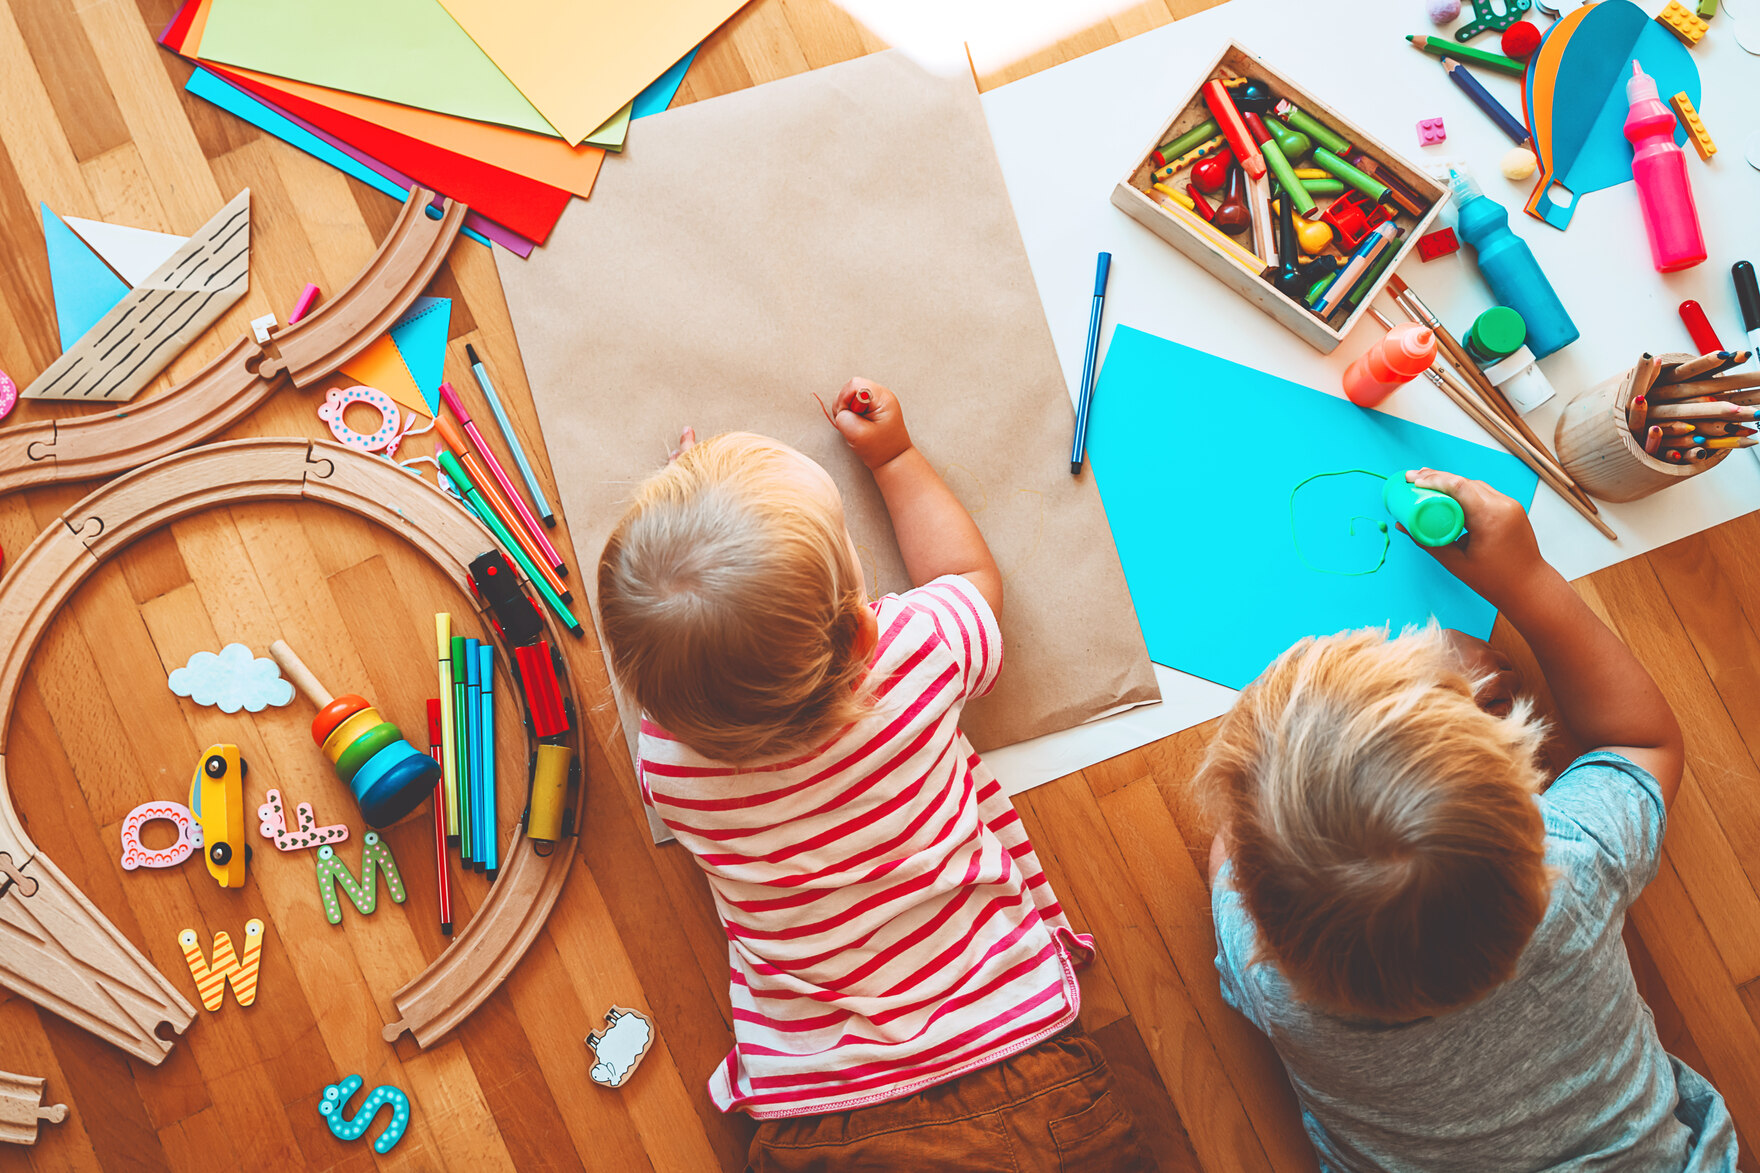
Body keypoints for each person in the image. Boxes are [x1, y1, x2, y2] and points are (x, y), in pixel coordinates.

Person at [597, 378, 1148, 1172]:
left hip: (822, 1114)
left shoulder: (674, 771)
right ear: (859, 632)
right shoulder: (912, 656)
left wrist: (698, 556)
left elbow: (686, 669)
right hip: (1017, 1061)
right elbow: (969, 579)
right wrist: (893, 458)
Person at [1197, 468, 1737, 1172]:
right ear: (1529, 791)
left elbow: (1228, 858)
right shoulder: (1573, 873)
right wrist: (1527, 579)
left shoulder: (1281, 993)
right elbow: (1640, 743)